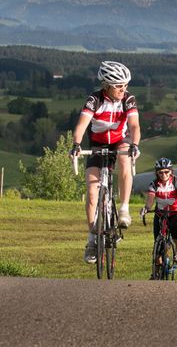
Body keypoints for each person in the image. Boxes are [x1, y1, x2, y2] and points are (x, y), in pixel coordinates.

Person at [69, 60, 141, 264]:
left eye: (126, 85)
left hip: (121, 141)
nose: (123, 89)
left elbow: (134, 125)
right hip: (98, 145)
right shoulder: (94, 100)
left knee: (125, 160)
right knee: (92, 194)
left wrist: (134, 144)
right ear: (107, 86)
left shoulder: (128, 100)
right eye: (119, 86)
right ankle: (92, 238)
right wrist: (76, 144)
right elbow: (82, 125)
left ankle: (124, 209)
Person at [140, 158, 177, 267]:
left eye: (166, 172)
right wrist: (147, 207)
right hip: (160, 214)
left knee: (176, 230)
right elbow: (151, 198)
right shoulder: (154, 184)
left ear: (171, 171)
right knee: (157, 242)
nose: (164, 175)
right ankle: (157, 271)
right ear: (156, 172)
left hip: (175, 212)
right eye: (160, 172)